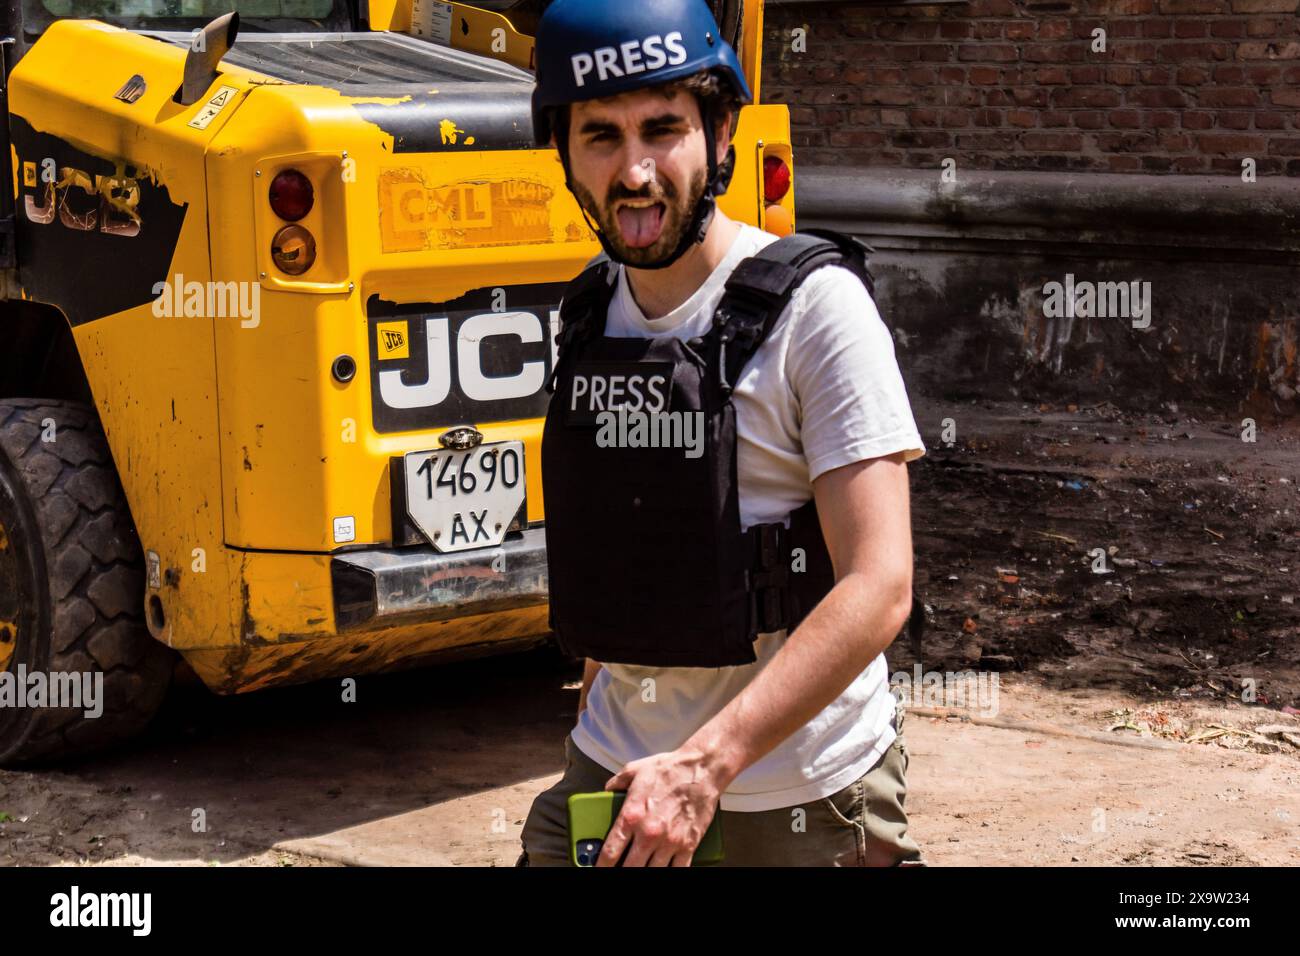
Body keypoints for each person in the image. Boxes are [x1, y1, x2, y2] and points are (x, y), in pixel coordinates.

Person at [517, 0, 927, 867]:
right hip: (618, 773)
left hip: (797, 795)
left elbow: (880, 583)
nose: (633, 171)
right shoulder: (590, 310)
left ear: (720, 130)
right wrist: (603, 719)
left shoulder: (819, 311)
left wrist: (706, 765)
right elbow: (623, 540)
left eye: (662, 129)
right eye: (600, 136)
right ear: (564, 154)